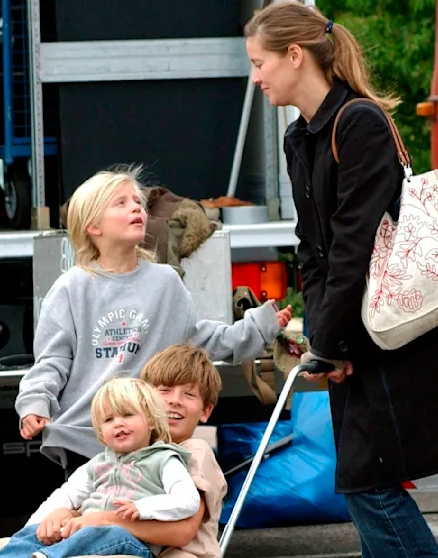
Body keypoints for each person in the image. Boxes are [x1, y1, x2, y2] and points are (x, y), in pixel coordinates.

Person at [244, 3, 438, 557]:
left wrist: (330, 344)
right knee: (365, 481)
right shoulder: (300, 138)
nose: (256, 77)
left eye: (260, 63)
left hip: (396, 330)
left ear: (294, 55)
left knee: (367, 482)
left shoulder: (358, 122)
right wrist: (324, 340)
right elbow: (312, 249)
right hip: (354, 334)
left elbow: (354, 244)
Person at [15, 164, 292, 477]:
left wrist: (257, 328)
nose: (136, 207)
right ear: (93, 226)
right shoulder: (70, 289)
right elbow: (51, 362)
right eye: (121, 203)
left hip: (151, 435)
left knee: (146, 521)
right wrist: (35, 402)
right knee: (92, 522)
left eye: (137, 202)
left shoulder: (165, 282)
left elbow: (198, 342)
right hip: (87, 435)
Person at [0, 344, 228, 558]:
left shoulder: (194, 451)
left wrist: (102, 520)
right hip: (118, 542)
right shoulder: (124, 454)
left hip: (179, 553)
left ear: (206, 411)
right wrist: (66, 514)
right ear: (146, 401)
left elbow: (182, 532)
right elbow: (93, 504)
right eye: (164, 391)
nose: (174, 400)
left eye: (189, 395)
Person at [0, 377, 199, 558]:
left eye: (127, 415)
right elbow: (64, 496)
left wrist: (142, 507)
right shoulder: (97, 464)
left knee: (110, 532)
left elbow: (188, 500)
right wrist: (40, 524)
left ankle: (47, 556)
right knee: (36, 530)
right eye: (109, 419)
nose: (118, 424)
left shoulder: (164, 460)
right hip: (85, 532)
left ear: (151, 421)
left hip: (131, 541)